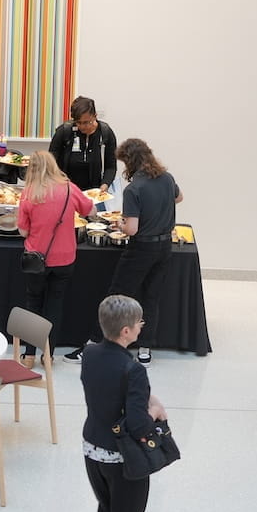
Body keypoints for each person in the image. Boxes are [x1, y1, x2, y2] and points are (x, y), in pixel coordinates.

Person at [52, 295, 165, 512]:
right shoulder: (133, 369)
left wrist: (143, 398)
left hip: (93, 451)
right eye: (140, 323)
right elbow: (138, 424)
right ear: (128, 331)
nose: (143, 326)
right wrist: (154, 413)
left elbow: (106, 393)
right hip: (123, 463)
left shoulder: (91, 354)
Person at [65, 139, 181, 365]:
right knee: (151, 297)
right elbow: (178, 197)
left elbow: (132, 228)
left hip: (142, 249)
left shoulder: (134, 188)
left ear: (130, 162)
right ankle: (145, 350)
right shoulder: (167, 178)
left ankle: (93, 344)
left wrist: (120, 225)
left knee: (115, 297)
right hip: (165, 246)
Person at [16, 152, 93, 367]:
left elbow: (22, 232)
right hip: (65, 257)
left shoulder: (29, 193)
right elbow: (90, 209)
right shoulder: (69, 188)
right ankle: (48, 356)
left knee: (34, 303)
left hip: (36, 258)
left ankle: (29, 355)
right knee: (55, 305)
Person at [48, 96, 117, 193]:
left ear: (95, 116)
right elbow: (50, 161)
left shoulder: (105, 133)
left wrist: (105, 184)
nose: (82, 127)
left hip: (95, 191)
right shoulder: (64, 131)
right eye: (78, 122)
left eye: (86, 122)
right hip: (66, 191)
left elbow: (111, 166)